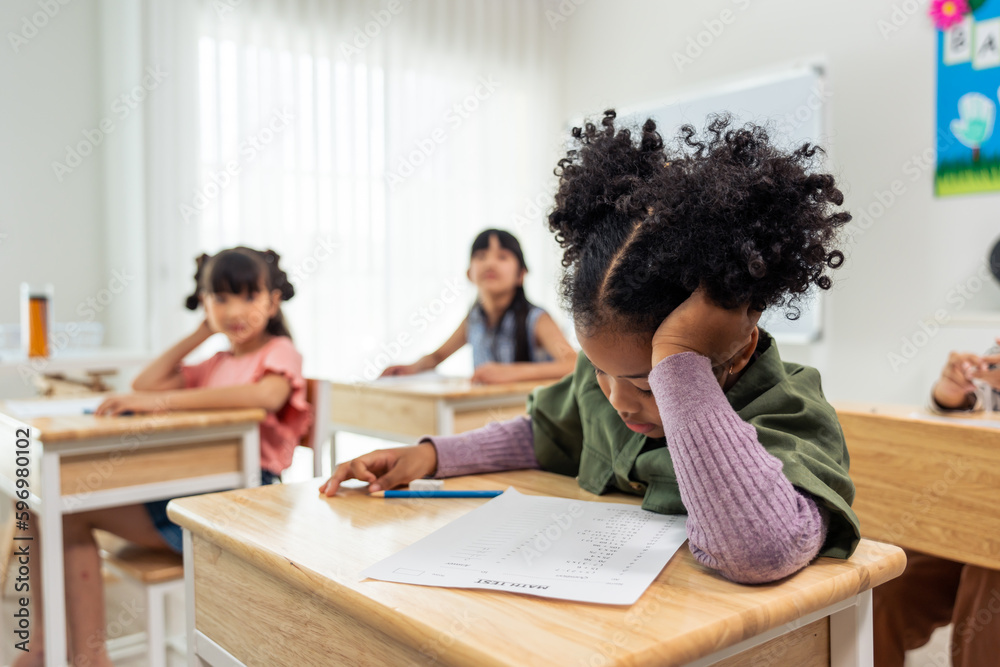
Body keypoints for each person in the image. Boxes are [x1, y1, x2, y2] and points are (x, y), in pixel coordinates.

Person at [322, 111, 859, 586]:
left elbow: (758, 552)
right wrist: (431, 455)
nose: (618, 400)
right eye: (602, 372)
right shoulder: (604, 380)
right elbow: (543, 431)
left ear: (737, 340)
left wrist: (677, 363)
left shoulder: (791, 413)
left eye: (648, 384)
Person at [17, 247, 311, 667]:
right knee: (44, 506)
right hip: (194, 489)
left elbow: (264, 397)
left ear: (273, 301)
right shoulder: (217, 360)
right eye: (220, 298)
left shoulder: (279, 352)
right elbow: (145, 381)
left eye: (248, 296)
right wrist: (201, 333)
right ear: (204, 303)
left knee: (66, 511)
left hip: (239, 504)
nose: (234, 310)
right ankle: (46, 645)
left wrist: (164, 403)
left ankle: (87, 656)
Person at [872, 340, 1000, 667]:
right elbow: (981, 407)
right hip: (980, 510)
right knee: (886, 581)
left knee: (986, 583)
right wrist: (953, 395)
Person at [381, 228, 577, 384]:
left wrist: (511, 373)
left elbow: (574, 364)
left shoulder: (536, 319)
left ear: (521, 274)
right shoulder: (474, 319)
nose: (490, 263)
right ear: (469, 274)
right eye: (481, 256)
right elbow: (438, 356)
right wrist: (412, 368)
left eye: (502, 257)